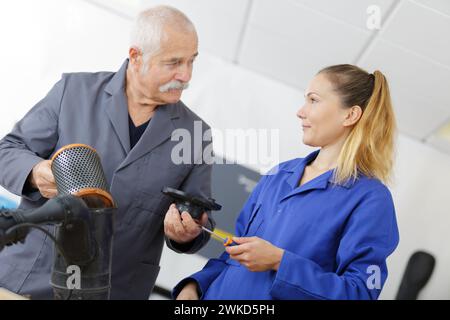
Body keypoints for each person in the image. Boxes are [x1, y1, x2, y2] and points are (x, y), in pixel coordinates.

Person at [0, 5, 215, 300]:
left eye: (192, 61)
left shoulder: (195, 135)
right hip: (27, 281)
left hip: (114, 291)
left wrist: (189, 232)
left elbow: (200, 217)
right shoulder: (72, 91)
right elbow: (7, 151)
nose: (186, 74)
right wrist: (36, 173)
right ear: (136, 57)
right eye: (174, 62)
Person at [174, 64, 400, 300]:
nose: (300, 112)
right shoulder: (280, 174)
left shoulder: (371, 199)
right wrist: (196, 287)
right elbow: (233, 253)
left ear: (350, 115)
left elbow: (360, 293)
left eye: (313, 100)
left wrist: (280, 262)